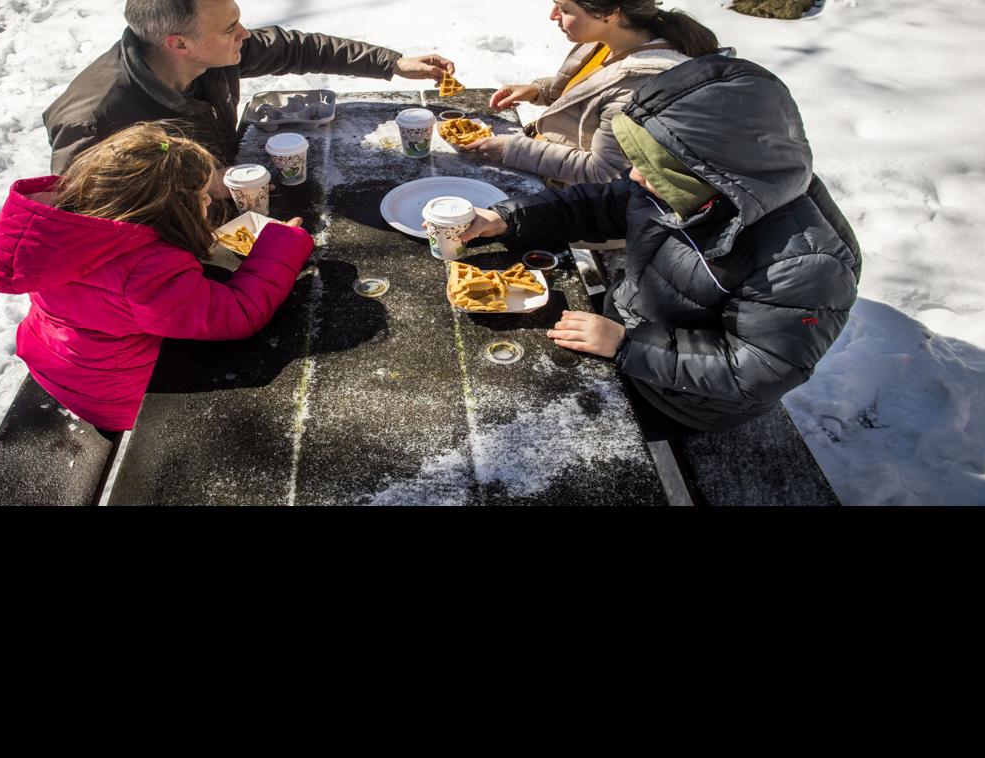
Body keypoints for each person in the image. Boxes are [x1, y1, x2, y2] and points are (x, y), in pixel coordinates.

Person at [458, 55, 861, 435]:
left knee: (527, 423)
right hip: (625, 333)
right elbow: (602, 203)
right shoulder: (689, 189)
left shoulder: (803, 261)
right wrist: (507, 219)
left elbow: (758, 370)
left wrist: (626, 345)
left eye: (653, 168)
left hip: (682, 399)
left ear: (710, 173)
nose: (633, 175)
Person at [0, 122, 315, 432]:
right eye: (202, 198)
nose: (208, 202)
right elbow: (238, 313)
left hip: (61, 365)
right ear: (168, 212)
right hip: (118, 398)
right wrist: (280, 244)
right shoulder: (145, 271)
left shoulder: (70, 229)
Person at [44, 0, 456, 191]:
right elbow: (83, 224)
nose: (244, 34)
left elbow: (297, 47)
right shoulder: (94, 118)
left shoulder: (211, 52)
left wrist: (392, 63)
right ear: (179, 44)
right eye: (230, 28)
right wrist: (198, 188)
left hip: (238, 192)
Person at [458, 1, 716, 189]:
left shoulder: (641, 84)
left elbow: (603, 172)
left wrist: (512, 150)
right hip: (546, 161)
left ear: (610, 13)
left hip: (577, 199)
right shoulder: (607, 43)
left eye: (565, 9)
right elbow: (594, 89)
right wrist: (540, 90)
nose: (552, 15)